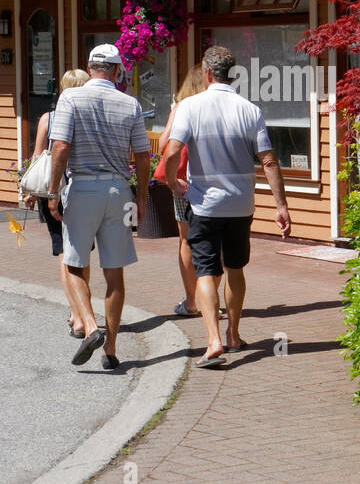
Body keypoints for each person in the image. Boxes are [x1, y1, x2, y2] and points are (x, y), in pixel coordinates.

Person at [161, 46, 290, 368]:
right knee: (235, 268)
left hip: (205, 204)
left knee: (206, 270)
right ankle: (234, 335)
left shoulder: (190, 106)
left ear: (206, 72)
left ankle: (213, 340)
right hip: (240, 203)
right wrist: (281, 205)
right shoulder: (250, 110)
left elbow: (173, 149)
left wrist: (173, 182)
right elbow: (269, 160)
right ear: (232, 74)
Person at [48, 45, 149, 371]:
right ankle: (111, 349)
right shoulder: (130, 103)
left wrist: (53, 190)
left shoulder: (71, 99)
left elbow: (61, 146)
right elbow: (143, 155)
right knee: (114, 272)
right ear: (118, 71)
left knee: (75, 264)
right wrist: (142, 198)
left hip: (83, 187)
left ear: (90, 68)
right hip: (118, 189)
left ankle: (90, 326)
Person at [24, 69, 91, 338]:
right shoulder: (90, 116)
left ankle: (77, 315)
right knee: (82, 253)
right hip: (83, 190)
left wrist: (30, 190)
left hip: (55, 189)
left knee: (65, 255)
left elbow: (38, 156)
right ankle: (83, 312)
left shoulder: (48, 119)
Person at [157, 66, 218, 318]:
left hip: (182, 183)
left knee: (186, 240)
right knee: (214, 241)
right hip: (212, 182)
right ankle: (211, 299)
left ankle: (192, 300)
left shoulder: (181, 107)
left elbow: (164, 145)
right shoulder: (214, 107)